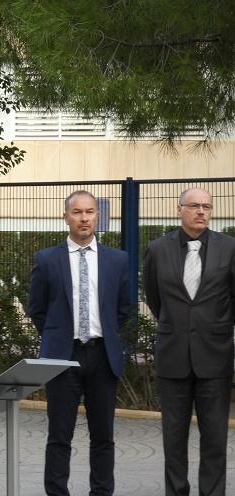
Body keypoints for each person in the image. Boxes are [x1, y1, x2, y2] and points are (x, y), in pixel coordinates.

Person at [28, 190, 130, 496]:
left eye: (89, 212)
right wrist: (58, 336)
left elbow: (123, 309)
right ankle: (57, 492)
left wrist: (104, 333)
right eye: (77, 212)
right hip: (63, 357)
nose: (84, 218)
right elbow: (37, 309)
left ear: (98, 216)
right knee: (59, 435)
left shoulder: (117, 260)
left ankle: (101, 492)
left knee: (103, 436)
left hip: (102, 355)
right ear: (66, 217)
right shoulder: (47, 259)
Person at [144, 187, 235, 496]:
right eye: (194, 206)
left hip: (215, 357)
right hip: (173, 358)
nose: (201, 212)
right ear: (179, 208)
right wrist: (179, 325)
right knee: (173, 438)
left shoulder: (229, 248)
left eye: (207, 207)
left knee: (215, 438)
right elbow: (156, 300)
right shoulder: (158, 249)